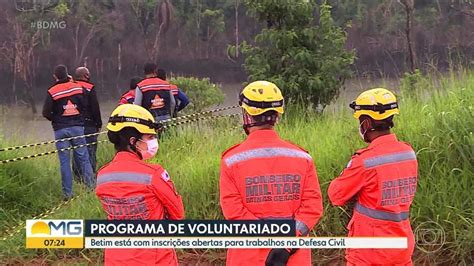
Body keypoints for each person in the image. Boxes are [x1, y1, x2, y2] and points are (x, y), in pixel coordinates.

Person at [219, 81, 323, 266]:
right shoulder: (302, 157)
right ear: (277, 116)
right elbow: (312, 207)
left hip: (248, 256)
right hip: (292, 256)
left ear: (247, 115)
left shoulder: (231, 160)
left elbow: (233, 211)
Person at [328, 88, 418, 265]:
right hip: (402, 247)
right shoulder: (408, 153)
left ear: (367, 123)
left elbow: (335, 196)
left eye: (360, 120)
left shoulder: (365, 161)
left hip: (369, 252)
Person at [96, 104, 185, 265]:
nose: (153, 142)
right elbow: (178, 214)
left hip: (115, 258)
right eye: (149, 137)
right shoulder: (153, 174)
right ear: (133, 141)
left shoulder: (102, 175)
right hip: (154, 258)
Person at [42, 64, 94, 199]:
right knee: (84, 159)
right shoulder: (78, 87)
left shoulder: (52, 91)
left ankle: (67, 194)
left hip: (60, 130)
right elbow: (86, 105)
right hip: (77, 127)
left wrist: (57, 119)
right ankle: (91, 188)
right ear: (68, 74)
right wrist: (79, 116)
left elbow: (46, 112)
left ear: (55, 77)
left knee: (64, 162)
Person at [73, 67, 102, 172]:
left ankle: (77, 177)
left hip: (75, 125)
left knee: (76, 152)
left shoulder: (72, 87)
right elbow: (95, 107)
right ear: (86, 75)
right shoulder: (90, 87)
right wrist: (98, 124)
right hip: (89, 125)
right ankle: (91, 177)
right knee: (90, 152)